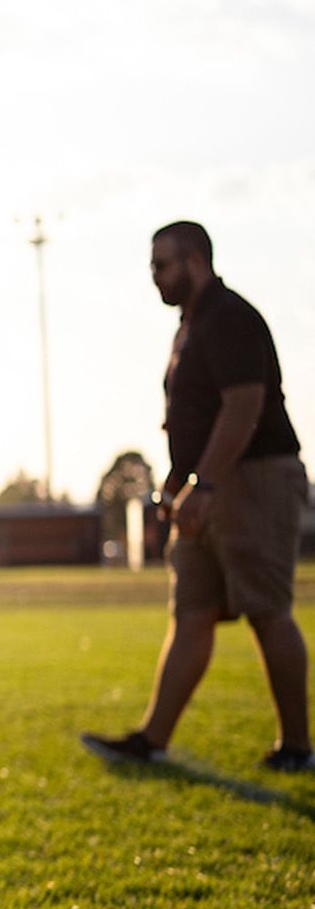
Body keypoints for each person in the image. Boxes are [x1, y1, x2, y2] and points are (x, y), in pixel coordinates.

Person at [82, 220, 309, 771]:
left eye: (162, 265)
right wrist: (177, 483)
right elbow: (194, 416)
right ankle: (152, 739)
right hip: (202, 486)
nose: (154, 277)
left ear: (195, 261)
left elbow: (243, 406)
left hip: (251, 478)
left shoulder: (229, 317)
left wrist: (204, 483)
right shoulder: (191, 326)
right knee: (193, 612)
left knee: (266, 609)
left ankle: (299, 747)